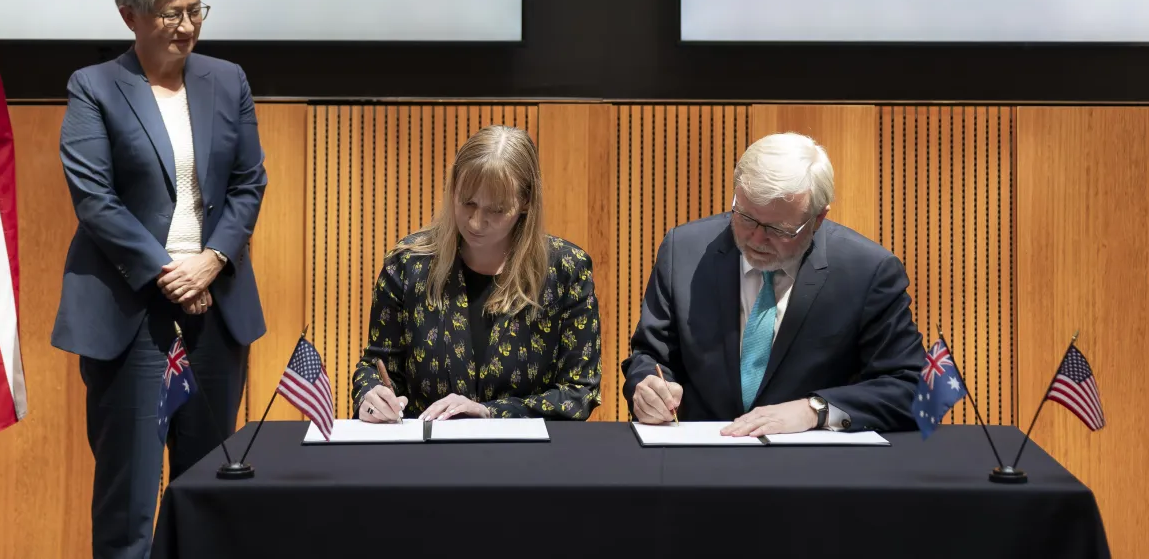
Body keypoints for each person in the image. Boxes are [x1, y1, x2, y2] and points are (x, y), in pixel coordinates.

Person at [51, 0, 267, 559]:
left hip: (215, 305)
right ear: (131, 16)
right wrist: (170, 273)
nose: (188, 26)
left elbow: (250, 183)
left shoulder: (228, 80)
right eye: (172, 14)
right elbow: (95, 199)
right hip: (132, 309)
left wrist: (213, 260)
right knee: (130, 500)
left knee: (205, 490)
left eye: (196, 9)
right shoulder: (93, 87)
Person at [623, 132, 924, 435]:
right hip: (702, 455)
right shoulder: (684, 251)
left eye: (778, 229)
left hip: (814, 466)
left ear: (818, 218)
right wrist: (648, 386)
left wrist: (815, 410)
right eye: (745, 217)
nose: (755, 239)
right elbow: (650, 355)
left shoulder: (867, 271)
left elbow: (909, 387)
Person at [353, 125, 601, 422]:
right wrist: (370, 396)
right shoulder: (407, 264)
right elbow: (376, 366)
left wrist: (490, 413)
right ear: (453, 187)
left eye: (496, 210)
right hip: (426, 457)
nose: (475, 222)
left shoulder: (566, 270)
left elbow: (579, 392)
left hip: (526, 460)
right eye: (467, 202)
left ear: (525, 203)